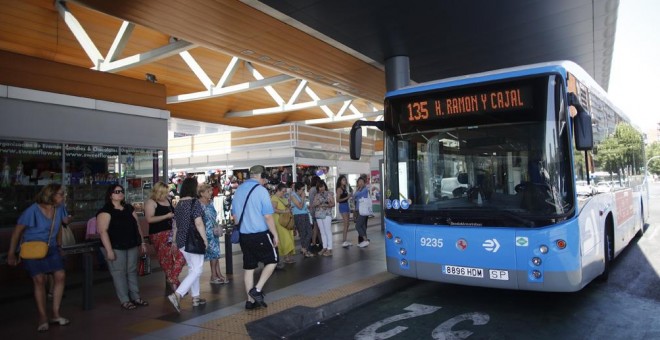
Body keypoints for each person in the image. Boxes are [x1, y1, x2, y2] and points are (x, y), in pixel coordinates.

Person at [7, 183, 69, 332]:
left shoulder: (59, 209)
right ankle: (42, 316)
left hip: (51, 247)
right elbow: (17, 232)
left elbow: (60, 226)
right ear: (51, 195)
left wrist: (59, 246)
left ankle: (55, 313)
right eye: (61, 194)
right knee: (39, 279)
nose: (64, 196)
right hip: (32, 248)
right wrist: (11, 253)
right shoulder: (32, 210)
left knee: (60, 275)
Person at [232, 165, 279, 310]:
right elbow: (268, 216)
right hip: (259, 234)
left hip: (244, 235)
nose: (265, 181)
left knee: (249, 267)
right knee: (273, 260)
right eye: (265, 178)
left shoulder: (238, 190)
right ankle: (256, 290)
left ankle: (249, 301)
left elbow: (235, 217)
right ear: (261, 176)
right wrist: (275, 234)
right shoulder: (261, 190)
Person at [97, 184, 149, 311]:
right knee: (118, 273)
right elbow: (103, 231)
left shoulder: (129, 208)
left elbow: (137, 225)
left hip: (130, 244)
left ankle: (136, 297)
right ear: (110, 195)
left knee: (131, 271)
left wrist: (142, 242)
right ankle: (125, 300)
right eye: (116, 191)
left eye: (121, 191)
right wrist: (109, 250)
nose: (120, 193)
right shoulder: (105, 211)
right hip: (115, 246)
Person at [167, 177, 209, 312]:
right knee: (197, 269)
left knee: (192, 268)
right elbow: (198, 222)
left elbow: (175, 225)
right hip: (193, 240)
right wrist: (205, 239)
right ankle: (177, 295)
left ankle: (196, 297)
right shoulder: (194, 203)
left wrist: (174, 240)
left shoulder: (178, 204)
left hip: (181, 240)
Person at [144, 182, 185, 292]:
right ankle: (176, 287)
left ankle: (173, 279)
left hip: (172, 232)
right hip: (159, 233)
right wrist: (166, 216)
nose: (167, 194)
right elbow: (149, 219)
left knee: (182, 255)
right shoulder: (151, 202)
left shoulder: (168, 200)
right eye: (164, 192)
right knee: (166, 259)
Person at [198, 183, 228, 284]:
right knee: (214, 253)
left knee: (215, 253)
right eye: (208, 191)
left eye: (210, 191)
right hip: (206, 231)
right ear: (202, 193)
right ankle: (214, 275)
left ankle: (218, 274)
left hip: (213, 230)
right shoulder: (199, 204)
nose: (211, 193)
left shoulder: (210, 202)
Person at [271, 183, 296, 265]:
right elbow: (273, 209)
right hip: (279, 221)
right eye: (283, 191)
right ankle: (286, 257)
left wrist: (288, 207)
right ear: (278, 190)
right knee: (285, 238)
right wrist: (284, 211)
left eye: (285, 191)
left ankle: (288, 256)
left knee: (289, 237)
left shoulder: (282, 198)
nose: (284, 193)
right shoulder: (274, 198)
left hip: (286, 220)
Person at [291, 182, 314, 257]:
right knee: (303, 233)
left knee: (310, 232)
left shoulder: (300, 195)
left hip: (305, 214)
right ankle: (305, 251)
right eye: (302, 189)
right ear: (298, 189)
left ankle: (304, 249)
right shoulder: (293, 195)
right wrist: (303, 198)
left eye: (304, 189)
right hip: (299, 216)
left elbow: (303, 206)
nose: (304, 191)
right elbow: (300, 207)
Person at [313, 180, 335, 256]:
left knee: (327, 230)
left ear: (325, 186)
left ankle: (329, 248)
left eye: (322, 186)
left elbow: (333, 204)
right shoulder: (316, 195)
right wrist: (317, 203)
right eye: (319, 187)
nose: (321, 188)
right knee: (322, 231)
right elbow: (314, 204)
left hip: (327, 214)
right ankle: (324, 247)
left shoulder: (329, 194)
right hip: (319, 214)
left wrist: (327, 205)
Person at [336, 175, 353, 248]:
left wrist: (350, 195)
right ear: (340, 181)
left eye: (345, 180)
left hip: (346, 205)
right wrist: (347, 197)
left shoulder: (345, 188)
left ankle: (345, 240)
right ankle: (344, 241)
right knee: (346, 223)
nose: (345, 181)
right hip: (342, 206)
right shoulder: (339, 189)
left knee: (348, 224)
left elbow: (347, 197)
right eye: (343, 180)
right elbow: (337, 200)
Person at [354, 176, 371, 247]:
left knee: (357, 226)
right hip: (359, 210)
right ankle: (365, 240)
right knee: (363, 226)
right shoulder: (359, 189)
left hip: (363, 210)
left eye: (362, 182)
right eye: (359, 182)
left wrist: (358, 191)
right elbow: (354, 197)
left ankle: (365, 240)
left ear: (364, 183)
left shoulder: (365, 189)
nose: (360, 183)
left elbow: (356, 195)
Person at [308, 175, 321, 250]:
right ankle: (313, 243)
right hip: (316, 211)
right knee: (316, 228)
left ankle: (318, 242)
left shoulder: (311, 189)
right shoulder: (315, 190)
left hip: (313, 211)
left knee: (317, 227)